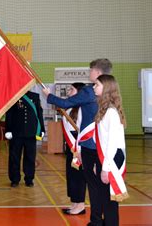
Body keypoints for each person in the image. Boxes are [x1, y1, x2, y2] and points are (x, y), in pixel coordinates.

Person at [43, 58, 112, 226]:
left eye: (91, 70)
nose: (89, 74)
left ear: (97, 73)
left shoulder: (89, 92)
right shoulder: (111, 90)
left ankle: (97, 219)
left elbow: (66, 103)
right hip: (102, 143)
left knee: (94, 186)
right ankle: (102, 219)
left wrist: (48, 95)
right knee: (100, 186)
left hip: (90, 145)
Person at [93, 74, 128, 225]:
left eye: (97, 85)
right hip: (105, 156)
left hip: (112, 158)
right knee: (104, 198)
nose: (94, 87)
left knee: (110, 201)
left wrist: (105, 168)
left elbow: (112, 143)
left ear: (106, 88)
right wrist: (98, 163)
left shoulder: (111, 112)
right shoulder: (104, 109)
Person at [5, 91, 45, 187]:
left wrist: (42, 129)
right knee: (14, 157)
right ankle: (14, 179)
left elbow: (39, 113)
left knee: (30, 158)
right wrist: (8, 129)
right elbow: (9, 113)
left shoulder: (35, 96)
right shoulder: (14, 95)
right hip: (16, 133)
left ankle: (29, 178)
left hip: (31, 133)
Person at [61, 83, 87, 215]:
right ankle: (75, 203)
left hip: (78, 144)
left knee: (78, 176)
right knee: (71, 175)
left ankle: (81, 205)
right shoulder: (69, 106)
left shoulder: (82, 108)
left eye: (72, 89)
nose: (69, 91)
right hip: (70, 145)